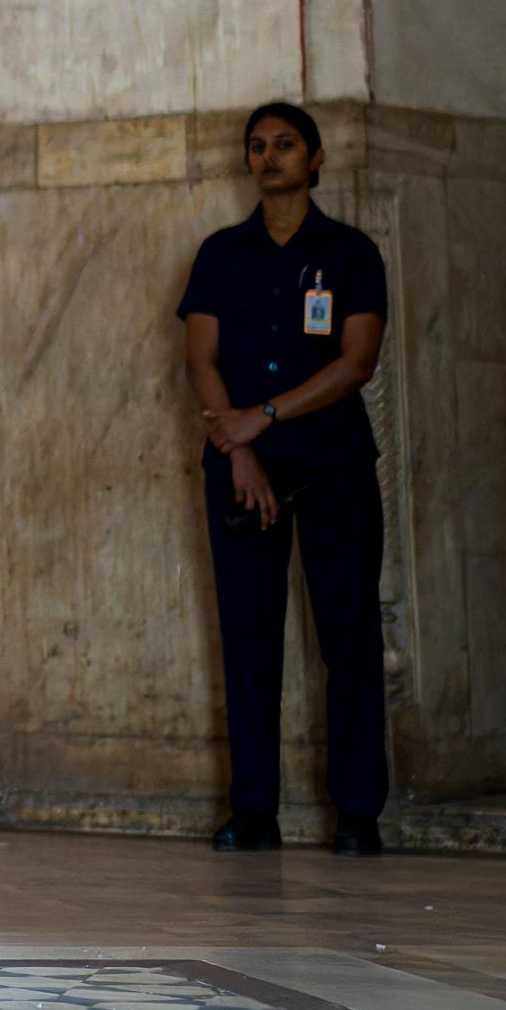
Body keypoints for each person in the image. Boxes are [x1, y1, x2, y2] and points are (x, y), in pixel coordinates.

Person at [180, 99, 391, 856]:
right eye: (256, 147)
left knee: (348, 634)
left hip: (331, 462)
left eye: (283, 145)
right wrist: (237, 448)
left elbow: (354, 362)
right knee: (246, 636)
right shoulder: (218, 255)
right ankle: (252, 810)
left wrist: (260, 417)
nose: (268, 157)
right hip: (241, 470)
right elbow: (200, 359)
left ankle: (358, 812)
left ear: (313, 158)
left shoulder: (349, 252)